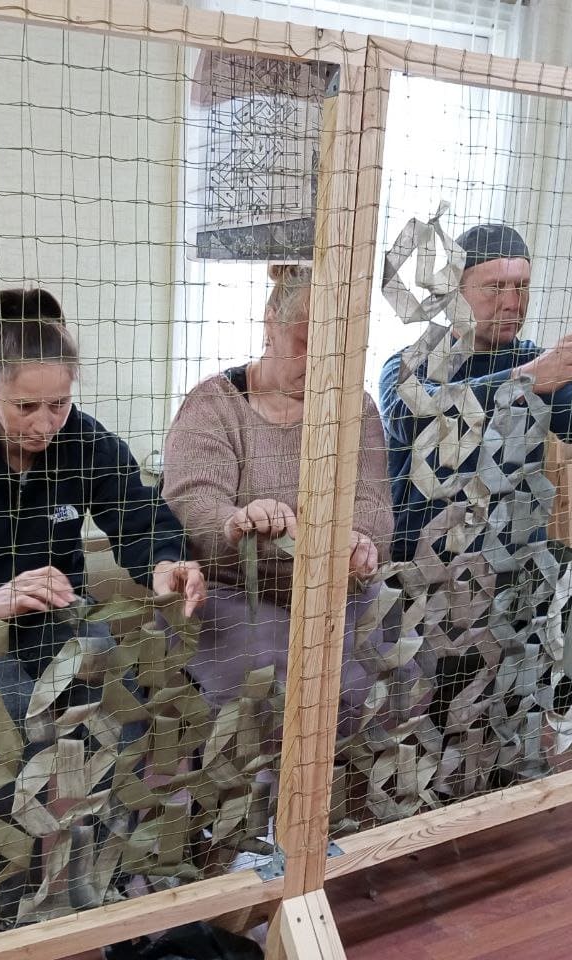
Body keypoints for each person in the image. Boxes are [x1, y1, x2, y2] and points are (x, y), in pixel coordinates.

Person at [0, 287, 206, 920]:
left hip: (54, 621)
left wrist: (167, 564)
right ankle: (8, 900)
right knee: (14, 715)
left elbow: (139, 517)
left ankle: (98, 881)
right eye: (25, 406)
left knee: (121, 702)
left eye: (59, 404)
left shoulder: (84, 441)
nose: (44, 424)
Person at [162, 264, 405, 735]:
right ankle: (268, 785)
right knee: (273, 690)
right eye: (305, 343)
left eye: (335, 350)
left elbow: (372, 505)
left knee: (391, 671)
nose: (319, 363)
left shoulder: (355, 409)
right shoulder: (214, 403)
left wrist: (359, 543)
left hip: (332, 594)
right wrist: (236, 521)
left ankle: (341, 780)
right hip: (230, 594)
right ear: (270, 321)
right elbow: (192, 503)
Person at [379, 222, 572, 562]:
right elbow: (413, 418)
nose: (512, 302)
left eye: (522, 286)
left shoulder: (536, 363)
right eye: (495, 287)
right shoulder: (411, 363)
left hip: (515, 562)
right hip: (425, 567)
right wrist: (523, 380)